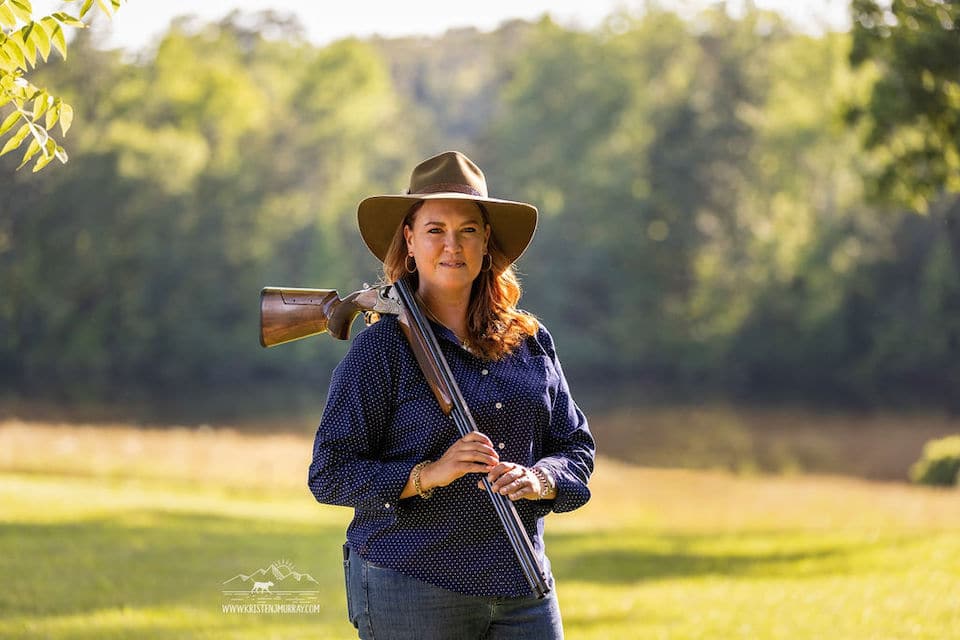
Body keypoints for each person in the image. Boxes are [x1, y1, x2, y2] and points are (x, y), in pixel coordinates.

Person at [308, 150, 595, 640]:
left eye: (468, 230)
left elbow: (576, 450)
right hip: (412, 583)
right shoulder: (382, 347)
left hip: (522, 583)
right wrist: (430, 474)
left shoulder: (529, 339)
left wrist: (540, 478)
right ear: (410, 240)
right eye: (435, 229)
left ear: (487, 243)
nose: (452, 245)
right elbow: (330, 475)